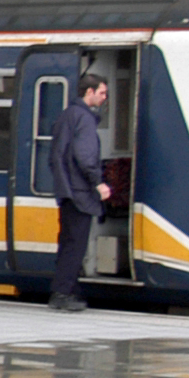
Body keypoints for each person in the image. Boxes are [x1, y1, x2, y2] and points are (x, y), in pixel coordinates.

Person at [51, 71, 113, 312]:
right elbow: (85, 156)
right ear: (89, 92)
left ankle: (67, 290)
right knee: (76, 244)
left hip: (67, 189)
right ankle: (62, 294)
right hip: (80, 192)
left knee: (67, 242)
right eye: (102, 93)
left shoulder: (67, 115)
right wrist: (98, 183)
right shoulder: (84, 119)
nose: (104, 98)